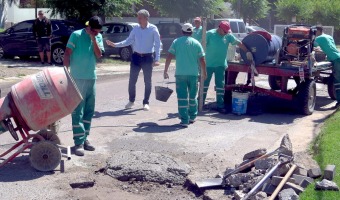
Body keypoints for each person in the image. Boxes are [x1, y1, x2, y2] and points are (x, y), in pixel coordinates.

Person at [63, 16, 104, 156]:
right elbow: (67, 53)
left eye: (99, 32)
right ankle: (78, 143)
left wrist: (93, 39)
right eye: (95, 31)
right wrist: (65, 72)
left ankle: (85, 138)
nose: (97, 33)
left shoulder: (97, 37)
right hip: (77, 78)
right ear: (89, 28)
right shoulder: (76, 35)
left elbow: (99, 55)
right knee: (77, 111)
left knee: (89, 111)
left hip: (91, 78)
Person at [106, 9, 161, 111]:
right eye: (138, 17)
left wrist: (157, 59)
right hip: (136, 57)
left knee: (147, 81)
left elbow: (158, 45)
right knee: (132, 81)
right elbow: (128, 41)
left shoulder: (153, 29)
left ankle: (146, 102)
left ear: (146, 18)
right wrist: (115, 44)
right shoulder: (135, 29)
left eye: (140, 18)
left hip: (148, 57)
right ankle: (131, 101)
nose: (138, 19)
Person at [203, 21, 253, 113]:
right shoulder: (210, 34)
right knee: (204, 85)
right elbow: (201, 46)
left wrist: (247, 51)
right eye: (224, 31)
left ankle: (220, 105)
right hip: (208, 65)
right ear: (219, 28)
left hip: (220, 65)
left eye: (227, 31)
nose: (226, 33)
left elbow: (239, 43)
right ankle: (200, 103)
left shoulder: (228, 36)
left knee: (220, 86)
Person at [164, 23, 207, 127]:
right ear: (192, 32)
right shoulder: (196, 43)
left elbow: (169, 56)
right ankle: (192, 117)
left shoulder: (176, 42)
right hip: (193, 75)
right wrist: (204, 72)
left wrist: (165, 70)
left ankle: (184, 120)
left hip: (180, 75)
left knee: (182, 98)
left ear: (182, 31)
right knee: (193, 97)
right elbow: (202, 59)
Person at [314, 26, 340, 107]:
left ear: (318, 31)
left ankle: (339, 102)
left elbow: (309, 46)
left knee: (337, 81)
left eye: (315, 31)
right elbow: (330, 47)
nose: (314, 33)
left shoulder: (319, 38)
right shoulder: (329, 36)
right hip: (337, 56)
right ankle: (324, 79)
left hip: (336, 59)